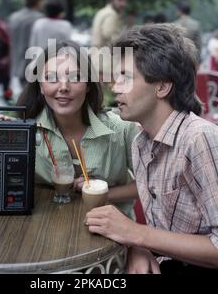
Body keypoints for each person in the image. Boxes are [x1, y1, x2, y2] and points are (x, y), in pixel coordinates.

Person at [85, 24, 218, 274]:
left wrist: (135, 234)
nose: (114, 86)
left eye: (125, 77)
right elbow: (159, 234)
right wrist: (137, 247)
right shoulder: (142, 143)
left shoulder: (200, 140)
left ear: (162, 87)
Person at [17, 40, 139, 217]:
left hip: (114, 235)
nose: (64, 87)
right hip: (47, 229)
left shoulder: (122, 129)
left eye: (74, 78)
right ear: (40, 86)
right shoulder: (27, 131)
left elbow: (149, 184)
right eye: (52, 78)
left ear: (88, 84)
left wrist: (100, 192)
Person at [8, 0, 44, 88]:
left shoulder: (14, 17)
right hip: (34, 61)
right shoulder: (40, 19)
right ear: (37, 2)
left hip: (17, 61)